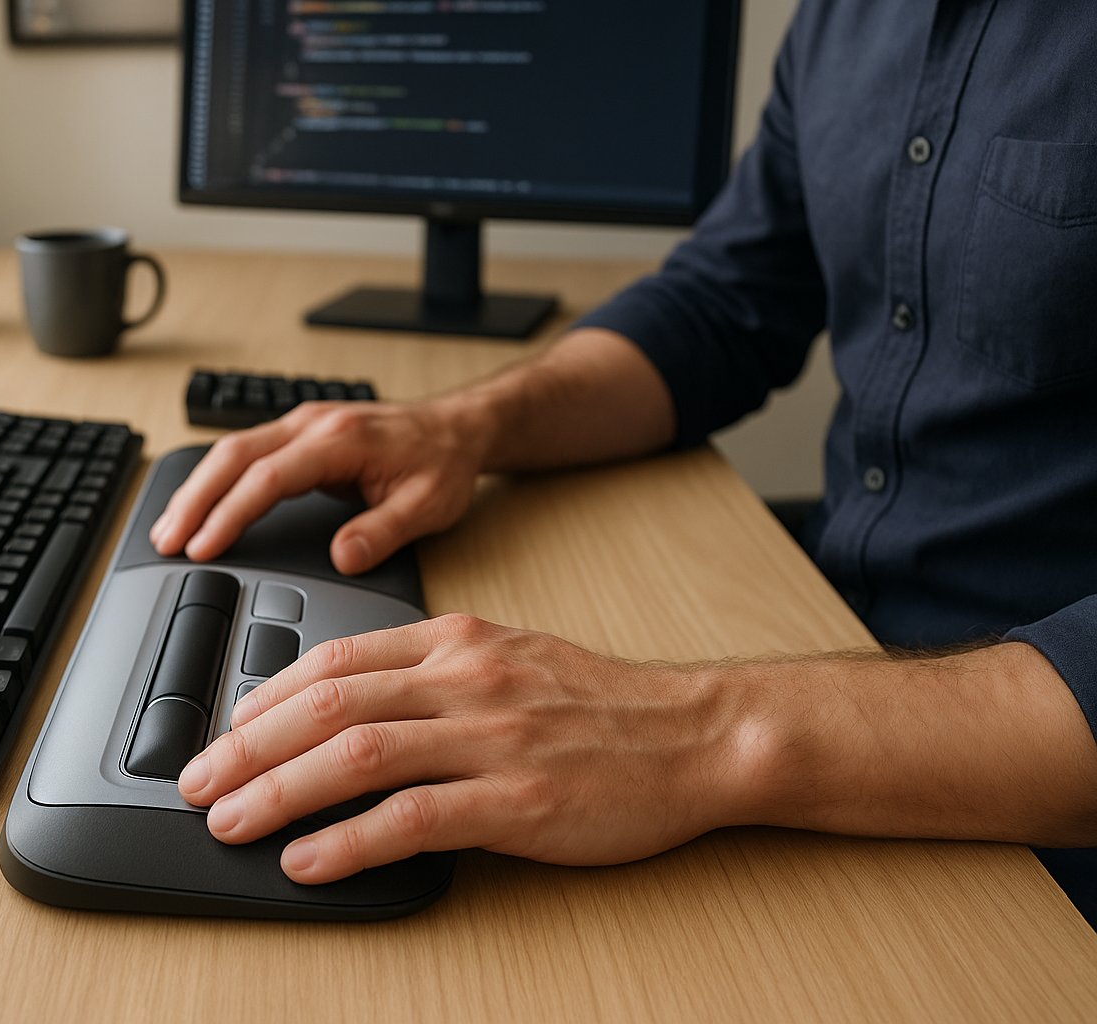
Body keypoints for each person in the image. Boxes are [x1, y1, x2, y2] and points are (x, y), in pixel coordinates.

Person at [153, 1, 1097, 922]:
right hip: (835, 630)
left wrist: (703, 729)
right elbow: (724, 303)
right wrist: (466, 425)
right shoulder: (843, 21)